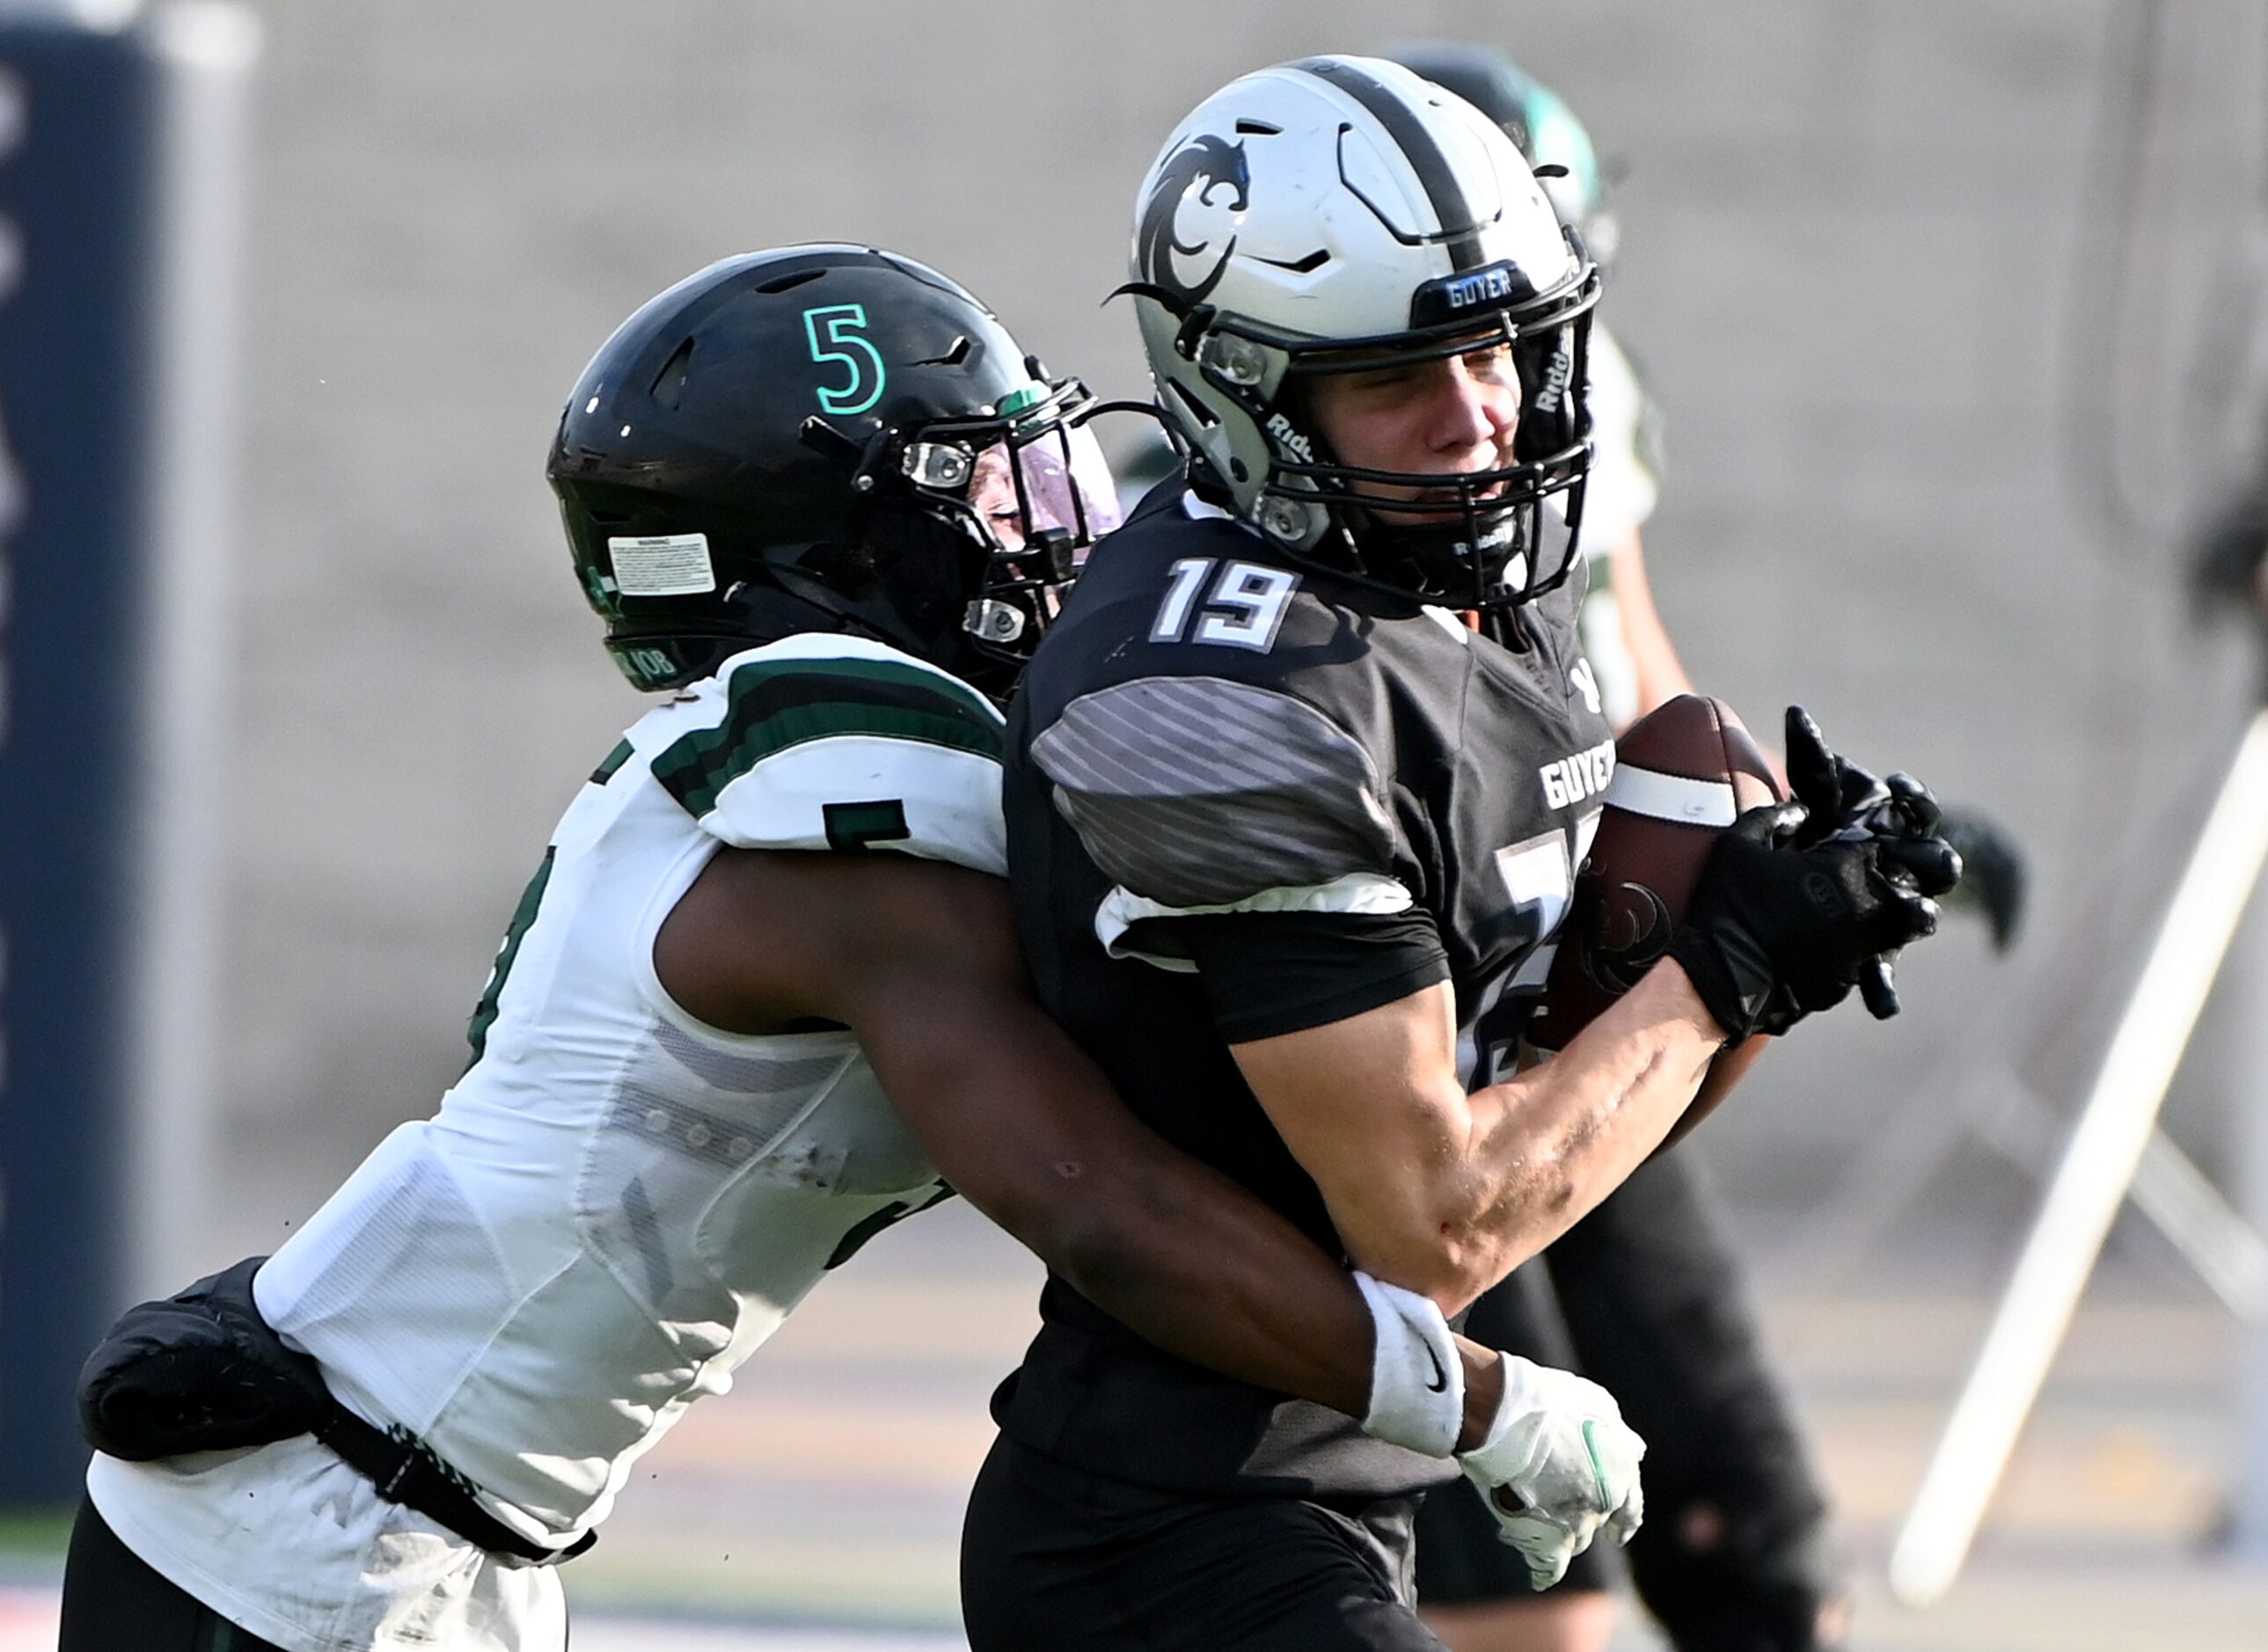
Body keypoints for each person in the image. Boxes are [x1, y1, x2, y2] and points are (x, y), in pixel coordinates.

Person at [60, 245, 1646, 1652]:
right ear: (854, 549)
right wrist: (1478, 1400)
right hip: (329, 1539)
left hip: (403, 1509)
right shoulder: (847, 814)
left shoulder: (814, 781)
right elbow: (1111, 1211)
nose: (1054, 524)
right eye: (986, 485)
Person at [960, 56, 1957, 1651]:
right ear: (1243, 390)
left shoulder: (1466, 572)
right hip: (1176, 1520)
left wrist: (1775, 940)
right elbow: (1434, 1222)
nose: (1476, 411)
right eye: (1395, 376)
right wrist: (1723, 968)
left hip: (1345, 1476)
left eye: (1491, 346)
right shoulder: (1218, 690)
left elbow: (1581, 1116)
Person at [1386, 47, 2029, 1652]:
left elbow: (1634, 661)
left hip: (1587, 986)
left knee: (1764, 1557)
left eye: (1525, 319)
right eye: (1447, 334)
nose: (1493, 391)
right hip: (1418, 1038)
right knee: (1543, 1599)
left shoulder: (1582, 400)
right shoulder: (1245, 529)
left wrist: (1794, 848)